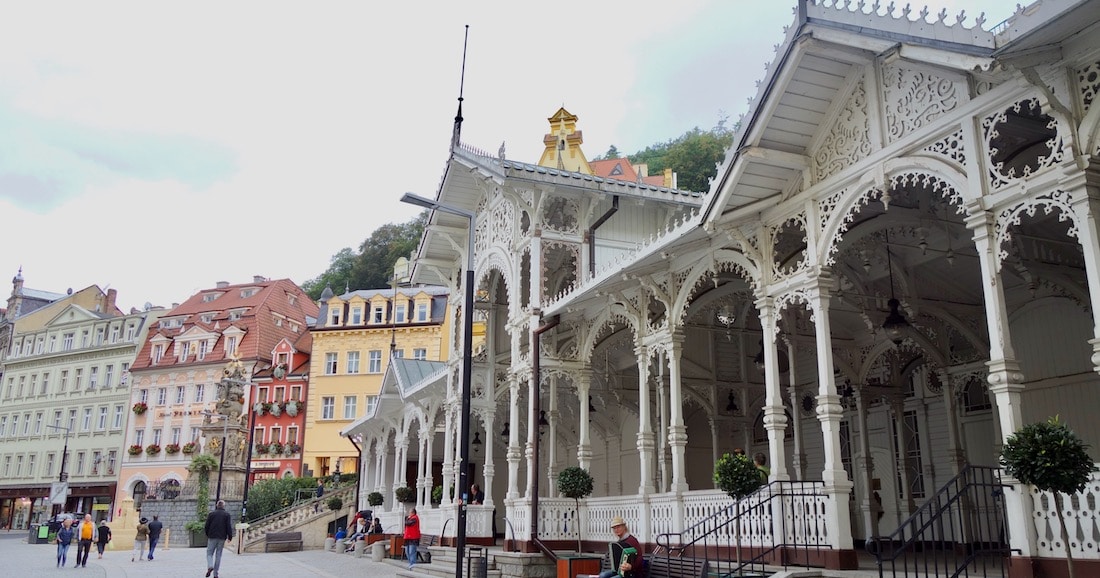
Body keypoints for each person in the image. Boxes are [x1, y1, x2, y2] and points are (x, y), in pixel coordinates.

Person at [204, 499, 233, 578]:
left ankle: (210, 566)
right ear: (223, 506)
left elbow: (207, 526)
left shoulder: (211, 514)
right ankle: (216, 574)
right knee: (218, 554)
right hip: (222, 537)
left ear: (217, 505)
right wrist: (230, 536)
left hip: (212, 536)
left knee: (209, 553)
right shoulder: (227, 515)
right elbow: (228, 526)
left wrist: (207, 534)